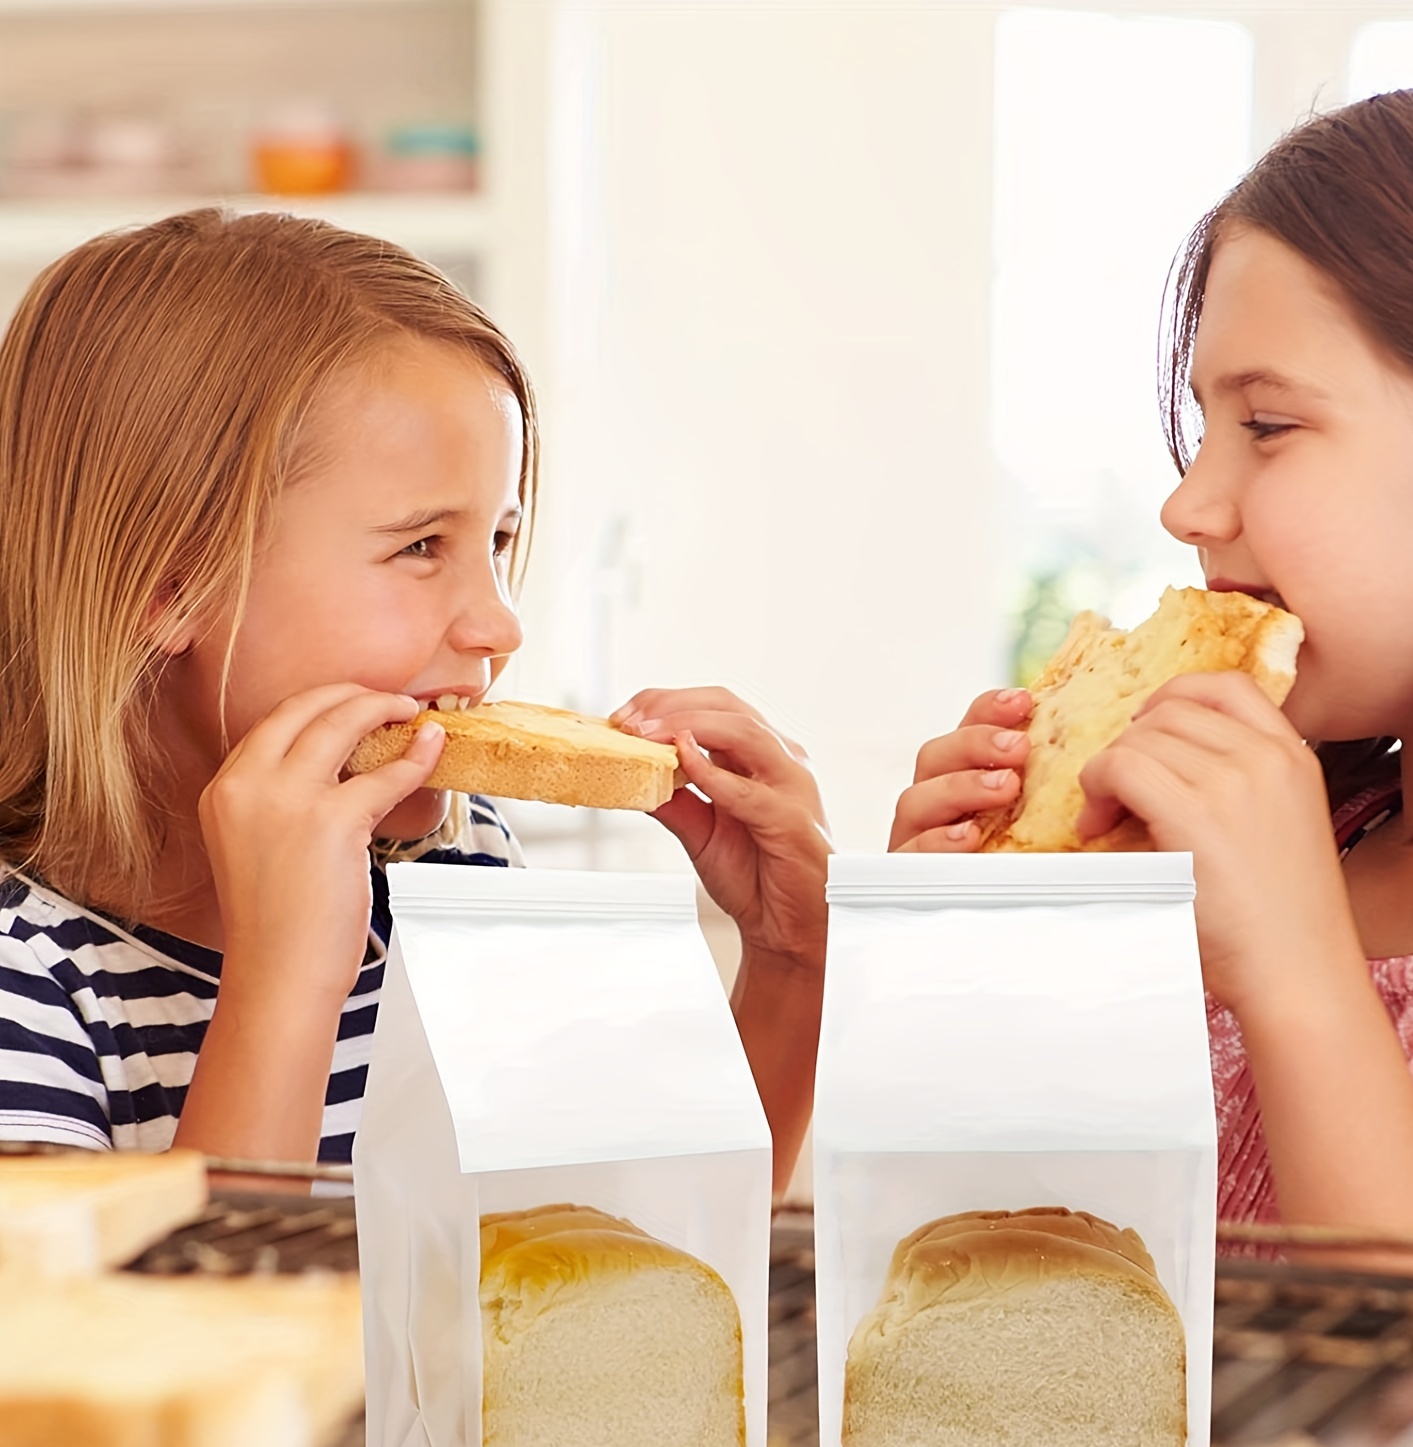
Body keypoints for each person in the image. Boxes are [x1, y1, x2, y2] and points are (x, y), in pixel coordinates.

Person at [891, 73, 1413, 1447]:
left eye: (1268, 428)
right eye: (1204, 426)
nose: (1187, 503)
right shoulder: (1235, 866)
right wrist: (980, 961)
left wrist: (1298, 974)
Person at [0, 208, 827, 1195]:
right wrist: (285, 977)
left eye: (500, 542)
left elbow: (624, 1271)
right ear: (172, 585)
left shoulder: (457, 866)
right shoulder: (29, 975)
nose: (500, 624)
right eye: (420, 547)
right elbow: (171, 1343)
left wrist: (792, 959)